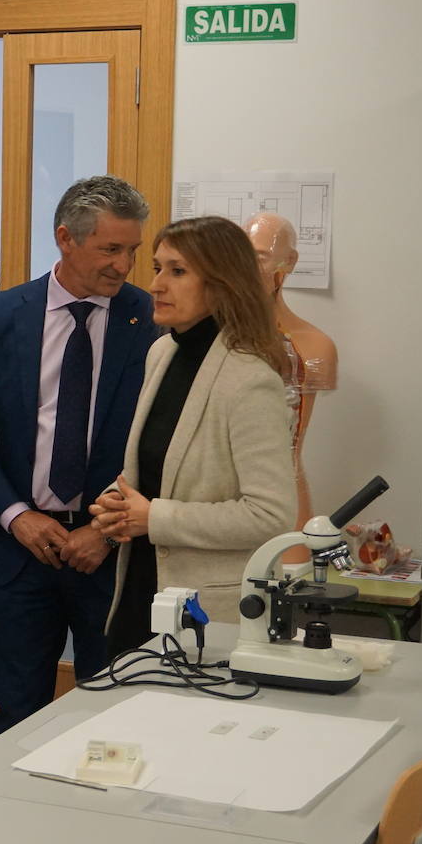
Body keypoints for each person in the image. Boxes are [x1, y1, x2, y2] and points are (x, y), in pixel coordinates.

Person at [0, 176, 156, 738]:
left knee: (112, 719)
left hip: (112, 555)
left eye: (132, 250)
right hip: (22, 552)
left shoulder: (149, 320)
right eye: (110, 249)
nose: (124, 265)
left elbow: (160, 448)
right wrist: (16, 516)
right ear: (66, 238)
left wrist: (106, 531)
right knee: (17, 717)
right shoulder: (3, 314)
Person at [91, 215, 297, 655]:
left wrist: (154, 518)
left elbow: (271, 515)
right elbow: (153, 473)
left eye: (177, 271)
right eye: (157, 268)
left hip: (210, 611)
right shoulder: (162, 352)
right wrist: (116, 502)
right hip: (140, 588)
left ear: (222, 284)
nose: (156, 284)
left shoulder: (250, 379)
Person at [244, 210, 338, 563]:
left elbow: (290, 451)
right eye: (241, 255)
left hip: (284, 502)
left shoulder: (313, 346)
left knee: (288, 582)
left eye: (261, 256)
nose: (248, 267)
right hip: (218, 509)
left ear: (290, 262)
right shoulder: (209, 339)